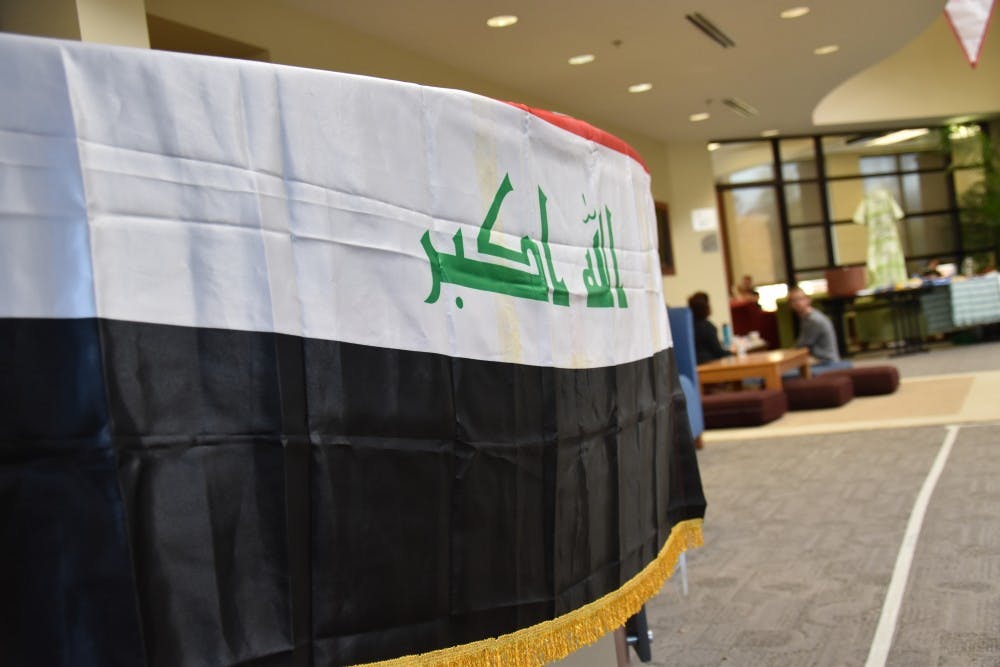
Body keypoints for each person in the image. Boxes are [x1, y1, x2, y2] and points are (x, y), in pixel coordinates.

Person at [787, 286, 851, 373]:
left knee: (784, 371)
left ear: (808, 300)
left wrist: (786, 354)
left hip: (826, 361)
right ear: (790, 305)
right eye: (793, 300)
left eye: (800, 299)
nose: (797, 303)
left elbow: (802, 346)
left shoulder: (813, 320)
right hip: (820, 359)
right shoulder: (808, 318)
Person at [687, 291, 731, 364]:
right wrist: (732, 352)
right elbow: (718, 352)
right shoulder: (708, 327)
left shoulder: (687, 327)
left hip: (692, 365)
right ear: (706, 306)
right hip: (709, 365)